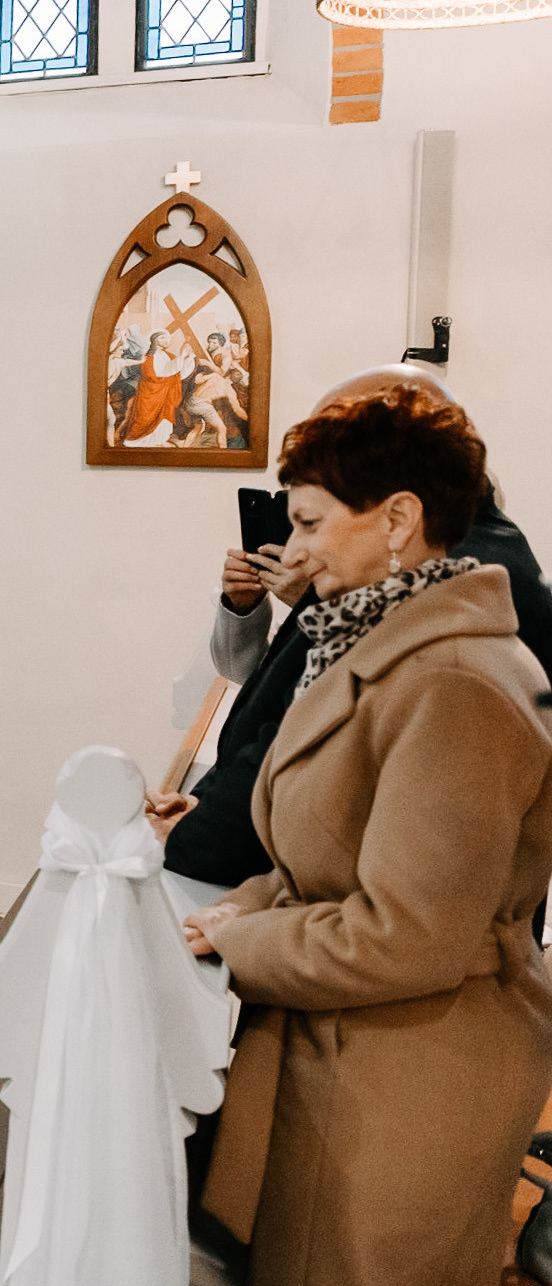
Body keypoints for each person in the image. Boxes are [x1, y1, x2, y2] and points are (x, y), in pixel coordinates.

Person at [178, 386, 552, 1286]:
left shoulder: (457, 685)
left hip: (409, 1082)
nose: (294, 548)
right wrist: (238, 907)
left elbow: (406, 935)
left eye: (310, 522)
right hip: (344, 1055)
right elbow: (321, 849)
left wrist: (243, 940)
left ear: (398, 521)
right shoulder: (376, 640)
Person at [155, 363, 552, 891]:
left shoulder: (435, 604)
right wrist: (210, 809)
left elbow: (410, 908)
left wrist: (209, 847)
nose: (294, 551)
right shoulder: (419, 566)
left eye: (312, 521)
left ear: (398, 510)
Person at [119, 328, 189, 446]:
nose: (166, 340)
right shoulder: (149, 357)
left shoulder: (169, 355)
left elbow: (178, 371)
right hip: (150, 393)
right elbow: (153, 375)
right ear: (154, 340)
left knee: (164, 417)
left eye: (167, 338)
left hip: (165, 393)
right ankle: (136, 442)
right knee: (144, 417)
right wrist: (181, 357)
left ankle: (160, 440)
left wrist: (185, 358)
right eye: (162, 337)